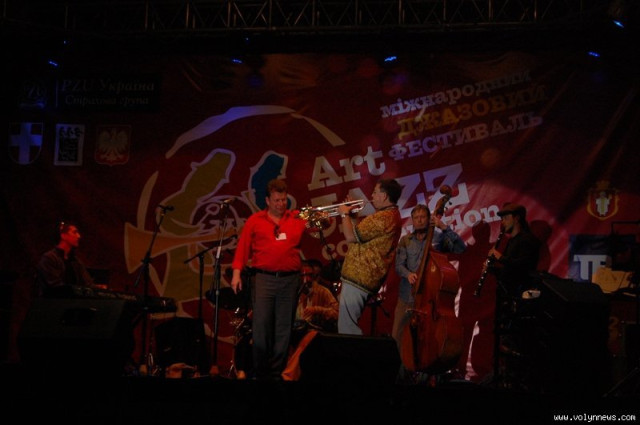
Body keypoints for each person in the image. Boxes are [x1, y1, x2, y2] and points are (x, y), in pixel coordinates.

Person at [230, 178, 308, 380]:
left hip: (289, 280)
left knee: (284, 328)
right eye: (276, 200)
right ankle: (260, 372)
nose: (281, 204)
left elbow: (320, 223)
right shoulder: (255, 220)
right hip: (264, 279)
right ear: (267, 200)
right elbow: (243, 247)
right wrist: (237, 273)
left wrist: (343, 213)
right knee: (261, 327)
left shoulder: (296, 218)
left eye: (283, 200)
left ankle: (276, 373)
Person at [391, 204, 466, 356]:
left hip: (430, 299)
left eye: (422, 217)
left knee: (427, 338)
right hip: (407, 296)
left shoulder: (438, 238)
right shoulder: (405, 240)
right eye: (416, 218)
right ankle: (399, 369)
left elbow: (460, 249)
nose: (419, 220)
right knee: (398, 335)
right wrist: (408, 274)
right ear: (412, 220)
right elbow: (398, 266)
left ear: (428, 219)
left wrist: (443, 227)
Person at [336, 178, 403, 335]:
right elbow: (360, 236)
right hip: (361, 278)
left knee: (347, 329)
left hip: (359, 278)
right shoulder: (389, 215)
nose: (371, 196)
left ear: (384, 196)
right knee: (346, 326)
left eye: (375, 192)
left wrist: (344, 214)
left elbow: (350, 237)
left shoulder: (383, 217)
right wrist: (353, 217)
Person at [486, 202, 540, 389]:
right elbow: (508, 271)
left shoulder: (528, 240)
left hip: (521, 301)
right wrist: (492, 269)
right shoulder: (512, 241)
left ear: (517, 218)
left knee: (517, 343)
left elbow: (523, 267)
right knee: (505, 342)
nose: (502, 222)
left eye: (506, 218)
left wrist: (500, 257)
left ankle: (518, 382)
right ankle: (505, 378)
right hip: (507, 298)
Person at [281, 259, 339, 381]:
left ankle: (288, 375)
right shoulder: (294, 292)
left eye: (309, 275)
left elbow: (337, 313)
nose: (306, 279)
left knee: (307, 339)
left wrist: (317, 309)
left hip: (313, 331)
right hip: (294, 329)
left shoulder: (322, 291)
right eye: (303, 276)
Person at [34, 220, 104, 297]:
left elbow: (87, 283)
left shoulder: (75, 261)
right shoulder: (49, 258)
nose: (79, 236)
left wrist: (100, 290)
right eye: (74, 232)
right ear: (63, 236)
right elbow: (55, 287)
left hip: (71, 301)